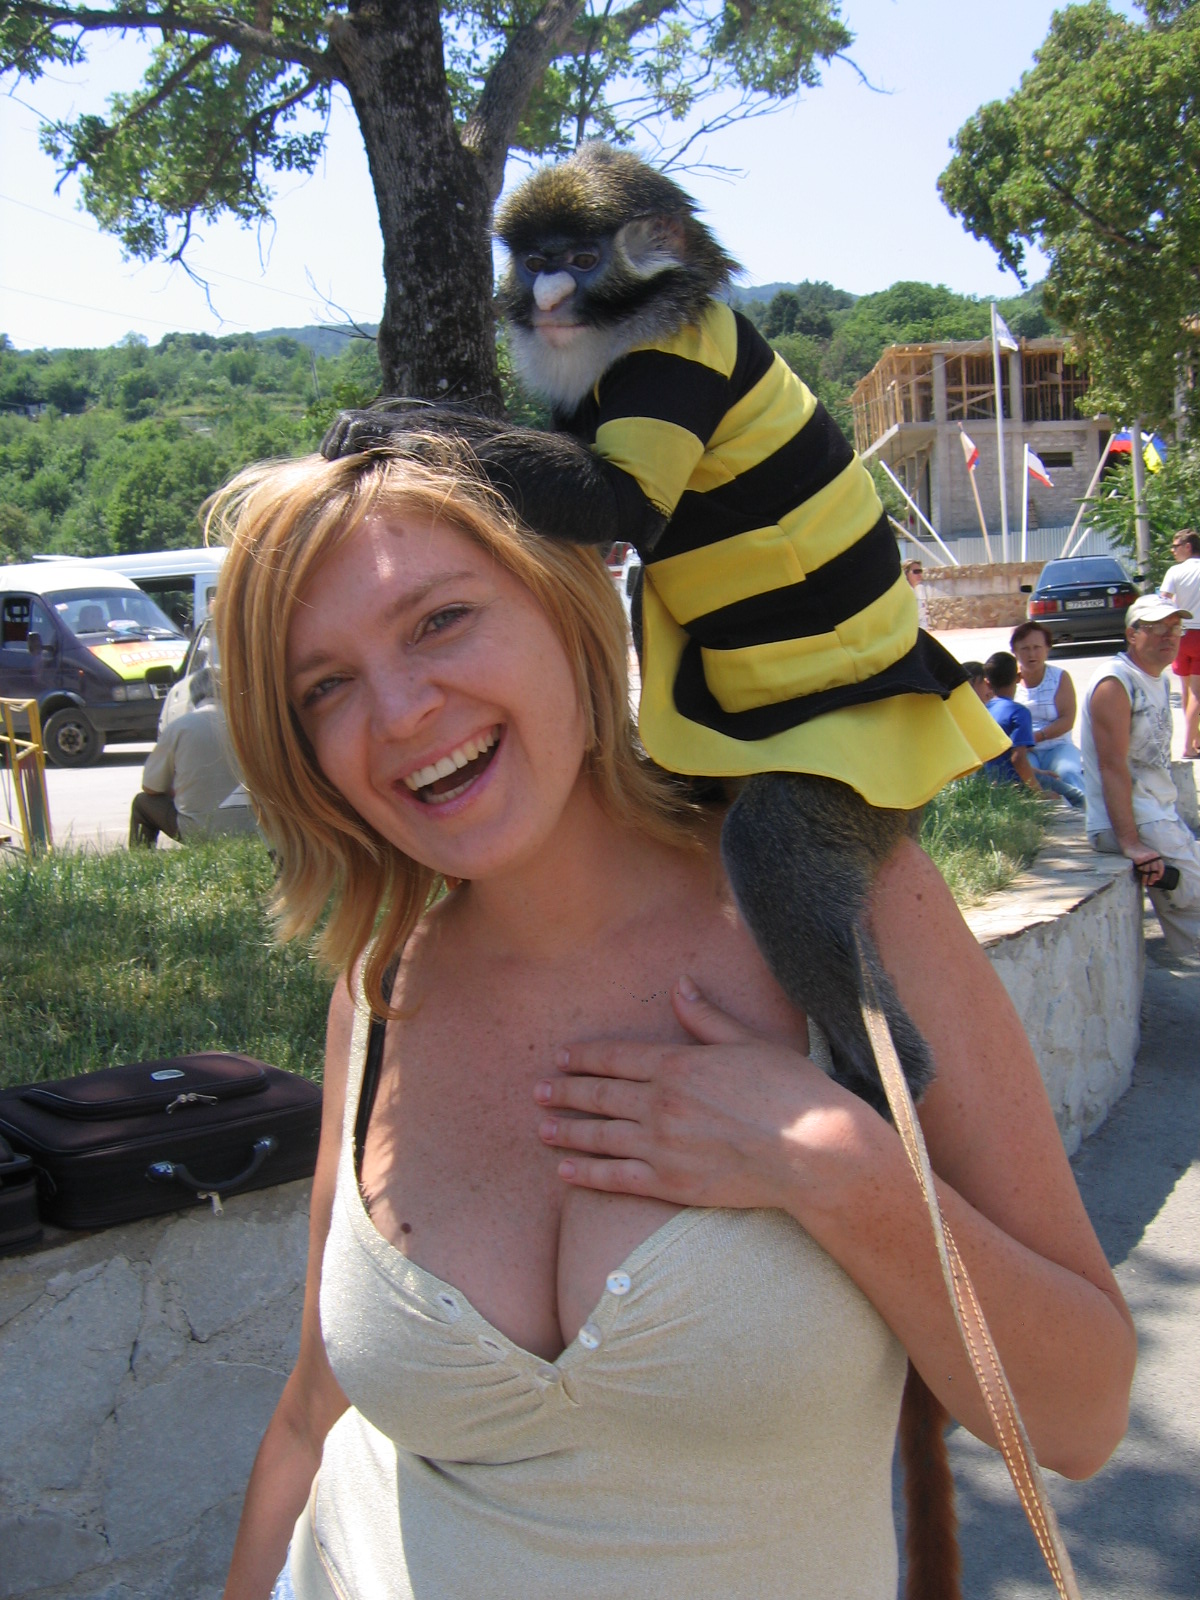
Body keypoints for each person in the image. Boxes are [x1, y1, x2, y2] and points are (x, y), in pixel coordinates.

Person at [210, 440, 1133, 1600]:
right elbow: (312, 1415)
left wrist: (844, 1173)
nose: (398, 714)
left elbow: (1084, 1416)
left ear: (569, 605)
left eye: (440, 620)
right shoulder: (378, 991)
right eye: (326, 686)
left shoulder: (846, 907)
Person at [1081, 593, 1200, 955]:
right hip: (1136, 823)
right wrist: (1131, 843)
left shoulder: (1157, 679)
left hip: (1159, 816)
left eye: (1176, 628)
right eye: (1158, 628)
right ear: (1132, 634)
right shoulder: (1115, 683)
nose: (1170, 636)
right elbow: (1112, 766)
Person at [128, 668, 256, 847]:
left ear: (193, 696)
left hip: (198, 831)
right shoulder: (251, 726)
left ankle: (142, 855)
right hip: (254, 829)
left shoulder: (179, 727)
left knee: (142, 803)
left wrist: (176, 789)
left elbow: (151, 788)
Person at [1010, 621, 1085, 808]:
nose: (1031, 654)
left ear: (1047, 649)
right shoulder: (1009, 681)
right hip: (1024, 751)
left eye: (1037, 647)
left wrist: (1036, 737)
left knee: (1069, 773)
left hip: (1057, 746)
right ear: (1015, 652)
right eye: (1025, 648)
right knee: (1023, 776)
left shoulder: (1060, 677)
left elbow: (1067, 719)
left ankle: (1085, 813)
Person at [1159, 529, 1200, 759]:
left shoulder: (1174, 572)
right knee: (1197, 692)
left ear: (1188, 546)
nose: (1172, 551)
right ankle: (1189, 746)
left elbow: (1163, 600)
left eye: (1175, 546)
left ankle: (1195, 739)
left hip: (1180, 634)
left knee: (1186, 690)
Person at [981, 652, 1045, 794]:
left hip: (990, 785)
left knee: (1047, 777)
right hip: (1015, 787)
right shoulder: (1019, 712)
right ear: (1018, 678)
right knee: (1074, 795)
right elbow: (1018, 759)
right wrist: (1040, 794)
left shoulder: (982, 712)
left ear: (987, 683)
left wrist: (1039, 773)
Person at [902, 556, 930, 628]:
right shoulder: (904, 593)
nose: (919, 574)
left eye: (920, 571)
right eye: (916, 572)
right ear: (906, 573)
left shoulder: (918, 591)